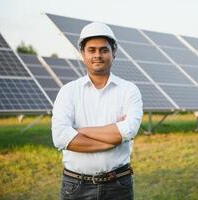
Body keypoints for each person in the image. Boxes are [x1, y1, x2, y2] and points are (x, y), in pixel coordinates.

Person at [52, 21, 143, 200]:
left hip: (118, 185)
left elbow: (129, 130)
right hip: (76, 186)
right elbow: (61, 137)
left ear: (113, 52)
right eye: (91, 50)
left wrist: (79, 132)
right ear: (83, 54)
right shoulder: (68, 91)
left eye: (104, 50)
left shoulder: (129, 90)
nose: (97, 55)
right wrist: (113, 139)